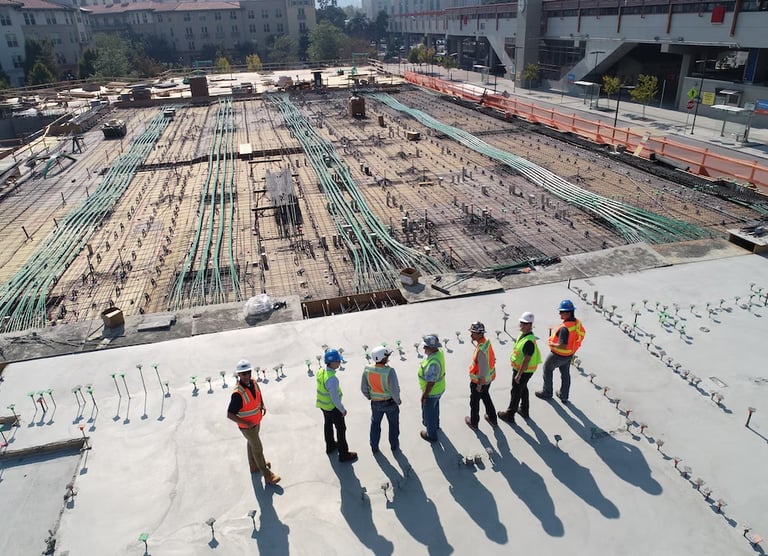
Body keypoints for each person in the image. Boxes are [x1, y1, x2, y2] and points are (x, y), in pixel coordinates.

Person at [227, 359, 281, 485]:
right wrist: (246, 424)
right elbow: (230, 414)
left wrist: (263, 404)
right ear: (239, 375)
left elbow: (258, 394)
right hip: (247, 427)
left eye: (248, 373)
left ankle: (254, 466)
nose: (247, 376)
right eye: (243, 374)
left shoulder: (254, 383)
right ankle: (267, 475)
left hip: (256, 421)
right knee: (257, 448)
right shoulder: (237, 394)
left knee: (251, 443)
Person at [536, 299, 586, 404]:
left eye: (562, 312)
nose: (559, 314)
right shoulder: (576, 323)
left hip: (558, 355)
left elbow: (562, 345)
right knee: (565, 374)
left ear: (568, 313)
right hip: (569, 354)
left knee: (547, 369)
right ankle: (564, 395)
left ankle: (547, 392)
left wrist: (551, 343)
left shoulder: (564, 329)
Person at [498, 312, 541, 424]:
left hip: (524, 371)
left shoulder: (528, 342)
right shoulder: (524, 336)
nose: (521, 325)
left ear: (530, 325)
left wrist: (519, 374)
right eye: (521, 323)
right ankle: (524, 410)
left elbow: (526, 359)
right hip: (523, 370)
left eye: (524, 324)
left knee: (516, 392)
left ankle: (510, 414)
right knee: (523, 388)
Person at [317, 349, 358, 462]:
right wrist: (342, 409)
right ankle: (344, 454)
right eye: (338, 361)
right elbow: (334, 397)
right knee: (341, 429)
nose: (340, 363)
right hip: (333, 408)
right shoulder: (332, 379)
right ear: (332, 362)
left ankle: (330, 446)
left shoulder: (321, 371)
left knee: (328, 425)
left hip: (323, 406)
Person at [361, 345, 401, 453]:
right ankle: (394, 445)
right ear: (383, 358)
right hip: (390, 403)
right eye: (387, 356)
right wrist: (398, 400)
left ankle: (374, 446)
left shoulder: (367, 369)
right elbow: (394, 389)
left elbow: (363, 388)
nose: (388, 357)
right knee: (393, 425)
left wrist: (369, 396)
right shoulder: (389, 371)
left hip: (375, 403)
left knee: (375, 424)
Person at [466, 321, 498, 429]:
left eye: (473, 333)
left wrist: (479, 385)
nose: (471, 335)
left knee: (474, 402)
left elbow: (482, 369)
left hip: (479, 382)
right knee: (486, 397)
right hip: (488, 379)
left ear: (479, 334)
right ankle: (493, 418)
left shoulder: (481, 350)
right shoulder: (486, 342)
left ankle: (474, 422)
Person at [418, 334, 445, 442]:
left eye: (426, 346)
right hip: (439, 390)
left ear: (433, 348)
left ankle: (431, 435)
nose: (424, 348)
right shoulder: (439, 353)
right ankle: (436, 426)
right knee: (435, 409)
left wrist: (424, 395)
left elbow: (431, 382)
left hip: (432, 392)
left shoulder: (433, 363)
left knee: (429, 414)